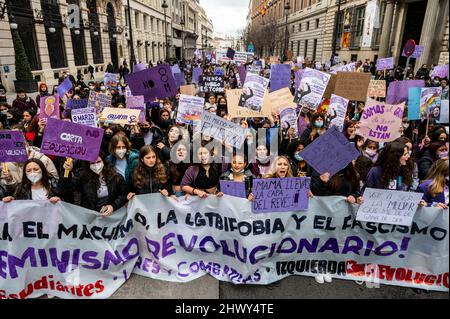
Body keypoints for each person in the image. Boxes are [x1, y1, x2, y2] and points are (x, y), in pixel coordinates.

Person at [60, 152, 128, 216]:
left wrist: (113, 206)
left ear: (104, 161)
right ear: (88, 165)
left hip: (110, 216)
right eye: (92, 163)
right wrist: (66, 172)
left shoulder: (115, 177)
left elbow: (123, 195)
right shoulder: (82, 176)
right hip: (90, 216)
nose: (96, 165)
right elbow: (66, 189)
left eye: (98, 162)